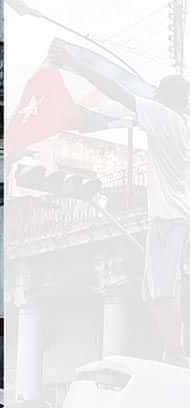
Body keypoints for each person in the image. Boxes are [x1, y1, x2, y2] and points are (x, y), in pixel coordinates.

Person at [53, 47, 190, 365]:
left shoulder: (165, 117)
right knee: (160, 288)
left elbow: (119, 91)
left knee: (160, 291)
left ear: (164, 98)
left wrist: (77, 64)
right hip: (181, 217)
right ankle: (176, 348)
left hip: (167, 217)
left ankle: (175, 352)